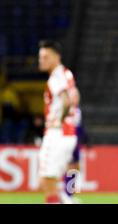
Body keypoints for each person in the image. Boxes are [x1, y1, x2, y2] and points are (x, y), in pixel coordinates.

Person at [38, 40, 78, 204]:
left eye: (45, 57)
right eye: (40, 57)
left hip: (57, 133)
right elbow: (75, 96)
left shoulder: (55, 77)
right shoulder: (67, 74)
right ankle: (67, 199)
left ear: (56, 57)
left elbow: (67, 102)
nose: (41, 61)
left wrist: (59, 121)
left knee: (46, 180)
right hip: (69, 133)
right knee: (56, 179)